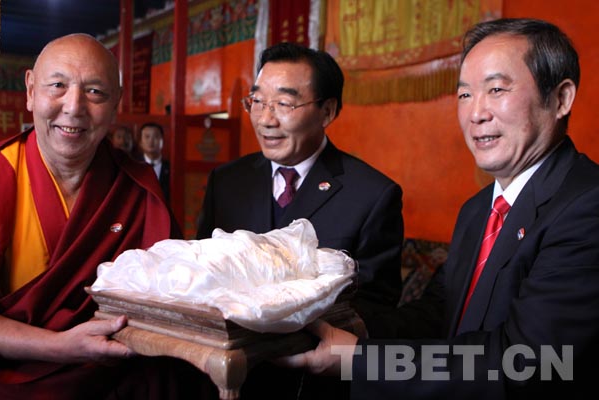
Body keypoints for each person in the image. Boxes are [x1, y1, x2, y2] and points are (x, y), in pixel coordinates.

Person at [281, 18, 599, 399]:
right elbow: (438, 313)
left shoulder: (586, 205)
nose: (476, 113)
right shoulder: (479, 209)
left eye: (496, 89)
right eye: (465, 95)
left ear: (561, 98)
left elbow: (532, 362)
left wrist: (361, 359)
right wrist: (351, 327)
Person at [0, 33, 184, 399]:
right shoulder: (3, 176)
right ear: (31, 90)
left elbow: (172, 301)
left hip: (116, 379)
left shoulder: (135, 187)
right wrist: (61, 347)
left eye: (95, 92)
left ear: (116, 104)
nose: (74, 107)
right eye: (57, 86)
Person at [196, 42, 404, 333]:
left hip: (313, 366)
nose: (266, 120)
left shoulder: (372, 195)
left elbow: (375, 305)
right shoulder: (227, 181)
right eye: (257, 101)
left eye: (283, 104)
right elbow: (202, 272)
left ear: (327, 112)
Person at [138, 122, 171, 203]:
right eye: (147, 137)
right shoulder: (135, 166)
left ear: (162, 141)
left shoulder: (171, 168)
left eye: (156, 137)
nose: (151, 141)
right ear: (140, 142)